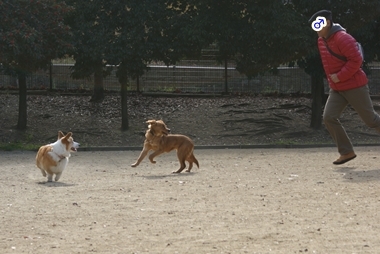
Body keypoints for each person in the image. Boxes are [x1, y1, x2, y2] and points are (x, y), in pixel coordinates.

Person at [309, 10, 380, 165]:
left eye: (318, 25)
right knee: (329, 117)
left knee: (371, 120)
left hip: (355, 86)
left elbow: (356, 60)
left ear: (327, 23)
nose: (317, 30)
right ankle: (346, 152)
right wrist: (333, 80)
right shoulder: (321, 41)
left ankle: (346, 151)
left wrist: (339, 76)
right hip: (337, 88)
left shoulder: (343, 38)